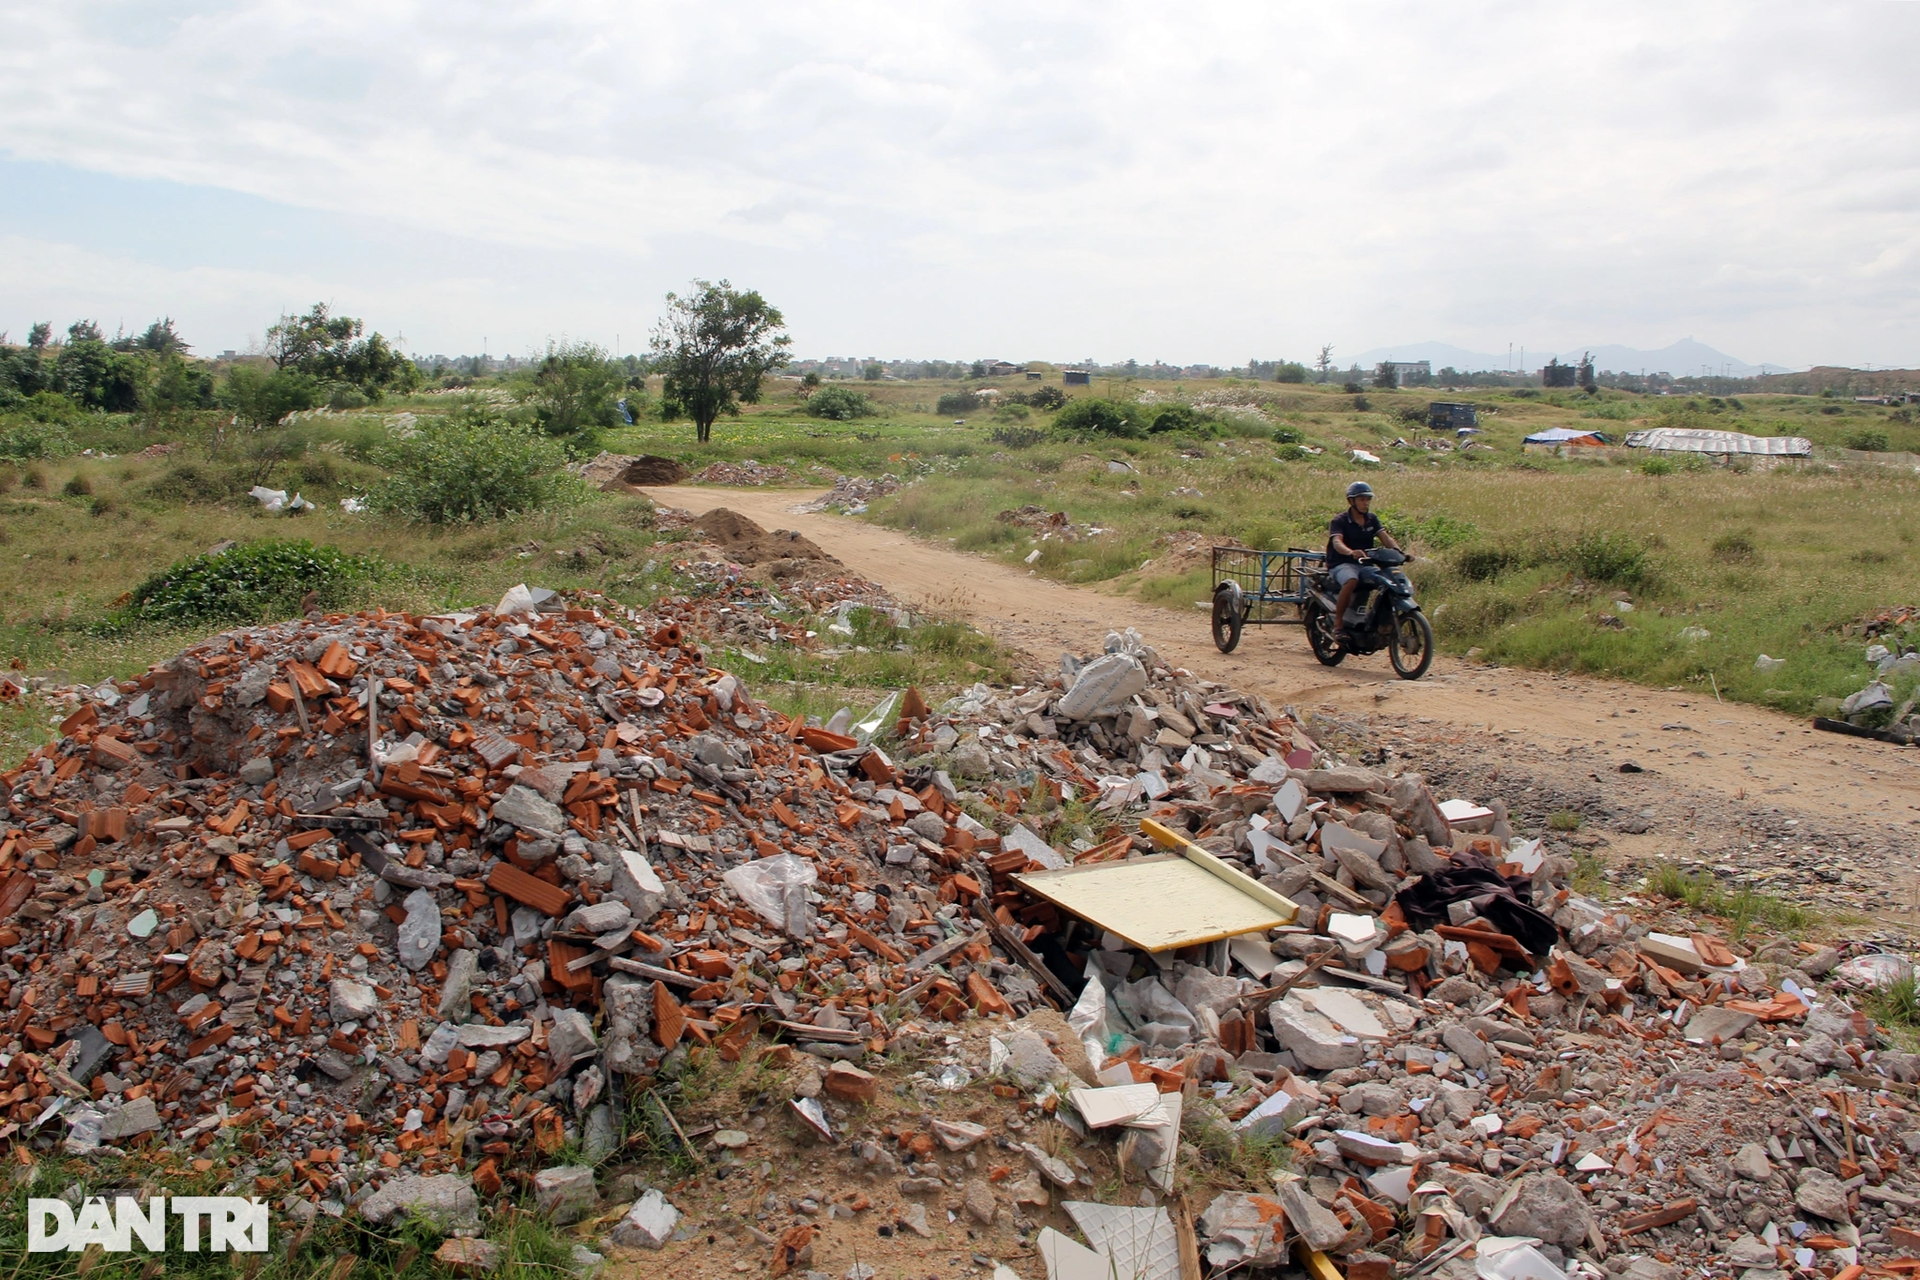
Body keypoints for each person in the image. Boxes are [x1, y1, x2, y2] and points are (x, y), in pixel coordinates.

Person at [1326, 481, 1401, 644]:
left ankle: (1379, 623)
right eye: (1361, 499)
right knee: (1352, 580)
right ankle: (1338, 625)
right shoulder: (1340, 520)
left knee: (1387, 582)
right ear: (1351, 501)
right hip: (1341, 563)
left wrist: (1400, 552)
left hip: (1364, 564)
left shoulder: (1371, 519)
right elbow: (1337, 542)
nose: (1365, 503)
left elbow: (1385, 538)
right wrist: (1350, 552)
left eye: (1368, 499)